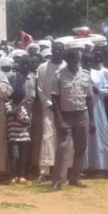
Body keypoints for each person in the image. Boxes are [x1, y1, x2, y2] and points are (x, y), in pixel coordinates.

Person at [50, 48, 95, 191]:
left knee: (81, 147)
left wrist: (92, 120)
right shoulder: (59, 75)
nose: (75, 61)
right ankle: (57, 180)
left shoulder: (85, 75)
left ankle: (75, 177)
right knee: (62, 148)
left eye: (77, 58)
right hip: (66, 116)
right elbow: (54, 99)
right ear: (67, 60)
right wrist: (59, 120)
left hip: (82, 115)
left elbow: (90, 98)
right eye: (72, 58)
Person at [35, 42, 66, 181]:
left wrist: (64, 105)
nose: (57, 52)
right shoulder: (43, 68)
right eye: (55, 50)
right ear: (52, 51)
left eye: (60, 50)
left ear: (63, 51)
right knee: (48, 136)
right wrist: (49, 104)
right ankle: (44, 171)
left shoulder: (67, 66)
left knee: (65, 138)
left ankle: (65, 169)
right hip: (49, 108)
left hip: (65, 109)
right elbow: (40, 89)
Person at [84, 51, 108, 174]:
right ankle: (85, 166)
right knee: (85, 137)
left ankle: (102, 166)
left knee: (100, 136)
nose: (88, 62)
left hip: (98, 107)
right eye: (85, 60)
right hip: (82, 108)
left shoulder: (98, 74)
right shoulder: (77, 74)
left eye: (90, 60)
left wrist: (98, 91)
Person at [5, 89, 32, 184]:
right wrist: (21, 104)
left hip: (24, 136)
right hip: (13, 136)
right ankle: (13, 175)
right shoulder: (8, 105)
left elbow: (27, 122)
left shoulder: (23, 108)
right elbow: (11, 113)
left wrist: (18, 120)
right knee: (14, 157)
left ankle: (21, 175)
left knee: (23, 157)